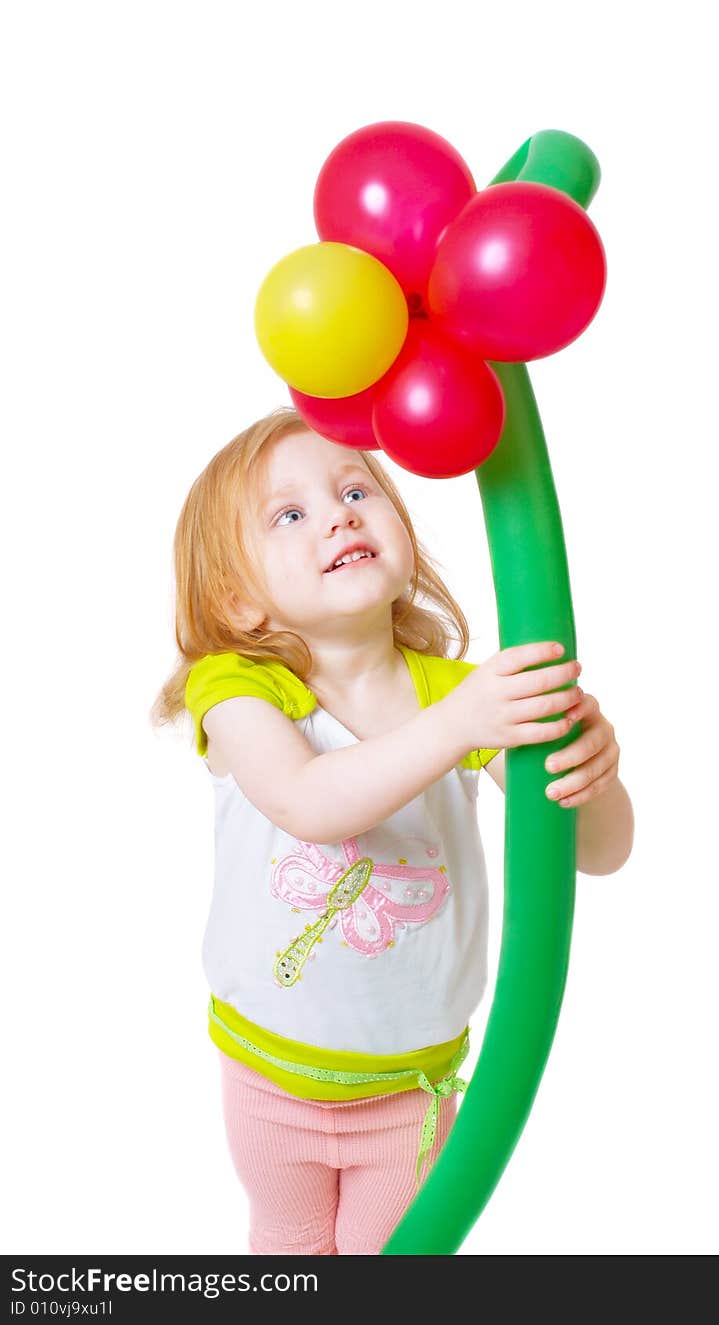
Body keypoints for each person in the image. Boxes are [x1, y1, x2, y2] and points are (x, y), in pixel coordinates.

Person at [151, 405, 634, 1255]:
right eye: (290, 513)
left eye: (356, 488)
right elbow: (306, 798)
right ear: (238, 598)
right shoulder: (239, 689)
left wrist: (593, 773)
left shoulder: (456, 692)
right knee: (291, 1248)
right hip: (270, 1082)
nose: (339, 513)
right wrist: (459, 725)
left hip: (409, 1090)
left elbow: (598, 853)